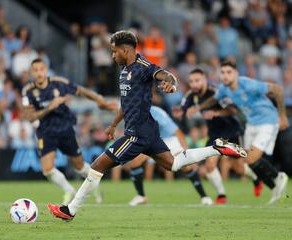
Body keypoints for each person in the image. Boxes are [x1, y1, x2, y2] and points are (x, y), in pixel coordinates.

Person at [47, 30, 246, 221]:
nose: (113, 55)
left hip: (137, 134)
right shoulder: (124, 70)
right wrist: (114, 125)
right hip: (148, 131)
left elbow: (166, 75)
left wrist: (172, 83)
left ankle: (70, 210)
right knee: (174, 164)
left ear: (126, 50)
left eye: (115, 51)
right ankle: (217, 148)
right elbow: (126, 104)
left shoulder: (144, 66)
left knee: (98, 165)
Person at [187, 60, 289, 204]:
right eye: (222, 73)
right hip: (251, 124)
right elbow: (212, 100)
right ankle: (273, 186)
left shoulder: (247, 84)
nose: (225, 76)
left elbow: (277, 89)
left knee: (252, 158)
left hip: (267, 121)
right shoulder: (224, 89)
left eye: (229, 72)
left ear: (236, 74)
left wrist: (282, 115)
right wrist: (198, 108)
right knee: (247, 160)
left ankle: (278, 176)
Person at [22, 58, 116, 205]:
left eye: (41, 69)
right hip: (45, 131)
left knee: (79, 166)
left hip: (65, 128)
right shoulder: (28, 92)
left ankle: (95, 187)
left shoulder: (58, 83)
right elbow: (29, 117)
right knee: (47, 170)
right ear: (32, 73)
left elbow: (81, 90)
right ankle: (69, 190)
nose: (39, 73)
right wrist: (50, 107)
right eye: (35, 70)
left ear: (46, 70)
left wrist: (100, 100)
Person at [184, 68, 262, 203]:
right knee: (210, 164)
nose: (194, 84)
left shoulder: (216, 92)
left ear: (204, 80)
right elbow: (183, 109)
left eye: (197, 80)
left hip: (231, 130)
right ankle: (222, 195)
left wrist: (216, 113)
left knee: (238, 167)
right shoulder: (192, 96)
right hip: (214, 133)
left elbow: (233, 110)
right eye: (191, 81)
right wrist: (183, 112)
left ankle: (256, 179)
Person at [125, 105, 213, 207]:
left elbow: (177, 132)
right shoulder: (135, 109)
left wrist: (187, 152)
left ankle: (204, 197)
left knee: (186, 167)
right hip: (151, 140)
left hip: (169, 140)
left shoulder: (156, 112)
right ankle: (141, 196)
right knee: (135, 162)